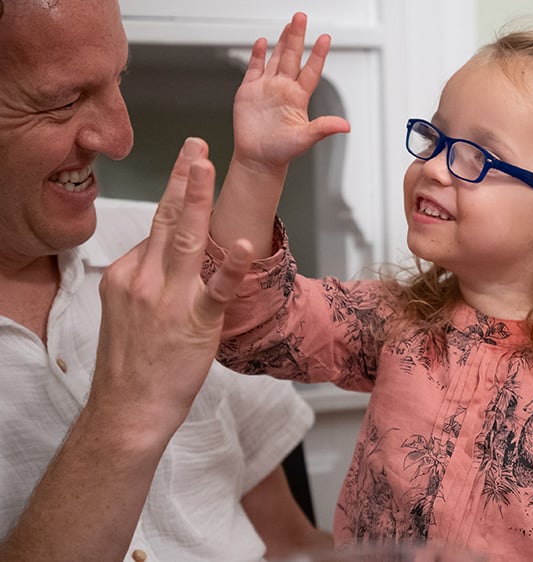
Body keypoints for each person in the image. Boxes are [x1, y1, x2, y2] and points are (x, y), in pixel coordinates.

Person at [208, 13, 533, 561]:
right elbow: (245, 326)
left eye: (479, 157)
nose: (436, 168)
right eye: (436, 138)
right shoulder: (397, 322)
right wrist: (256, 168)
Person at [0, 1, 332, 560]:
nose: (120, 139)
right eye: (64, 101)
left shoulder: (171, 253)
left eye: (119, 78)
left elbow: (290, 542)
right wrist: (126, 409)